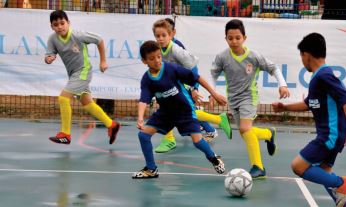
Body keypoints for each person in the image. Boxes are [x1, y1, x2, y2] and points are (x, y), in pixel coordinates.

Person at [272, 33, 346, 207]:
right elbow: (308, 103)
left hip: (329, 136)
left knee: (298, 166)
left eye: (301, 56)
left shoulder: (324, 75)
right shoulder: (319, 76)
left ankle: (342, 183)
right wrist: (284, 107)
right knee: (325, 173)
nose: (302, 61)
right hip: (333, 136)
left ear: (306, 55)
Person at [132, 40, 226, 179]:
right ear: (144, 61)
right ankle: (151, 169)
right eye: (152, 59)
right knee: (143, 135)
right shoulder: (147, 79)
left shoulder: (171, 68)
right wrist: (140, 118)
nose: (157, 60)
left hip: (184, 110)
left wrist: (214, 94)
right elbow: (144, 99)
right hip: (166, 112)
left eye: (159, 56)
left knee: (197, 140)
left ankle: (213, 158)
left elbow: (197, 78)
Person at [210, 19, 290, 179]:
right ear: (225, 38)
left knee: (245, 129)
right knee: (244, 132)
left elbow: (273, 68)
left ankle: (258, 167)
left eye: (237, 38)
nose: (234, 41)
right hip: (233, 99)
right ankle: (268, 134)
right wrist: (212, 93)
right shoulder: (222, 57)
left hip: (249, 97)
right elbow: (213, 74)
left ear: (244, 38)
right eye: (230, 38)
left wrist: (283, 85)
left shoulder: (253, 57)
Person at [152, 19, 231, 153]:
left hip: (181, 86)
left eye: (164, 34)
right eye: (158, 35)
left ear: (172, 33)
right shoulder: (159, 48)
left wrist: (195, 88)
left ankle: (171, 139)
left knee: (183, 112)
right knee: (183, 112)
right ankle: (215, 123)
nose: (160, 38)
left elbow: (193, 68)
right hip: (171, 86)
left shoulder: (176, 47)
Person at [45, 10, 120, 145]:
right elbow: (49, 53)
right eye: (56, 25)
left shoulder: (78, 35)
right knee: (88, 104)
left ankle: (65, 134)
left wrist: (103, 61)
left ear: (68, 23)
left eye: (62, 23)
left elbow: (99, 40)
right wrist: (49, 58)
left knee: (63, 98)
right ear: (52, 26)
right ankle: (112, 125)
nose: (60, 27)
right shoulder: (53, 39)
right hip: (73, 74)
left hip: (83, 71)